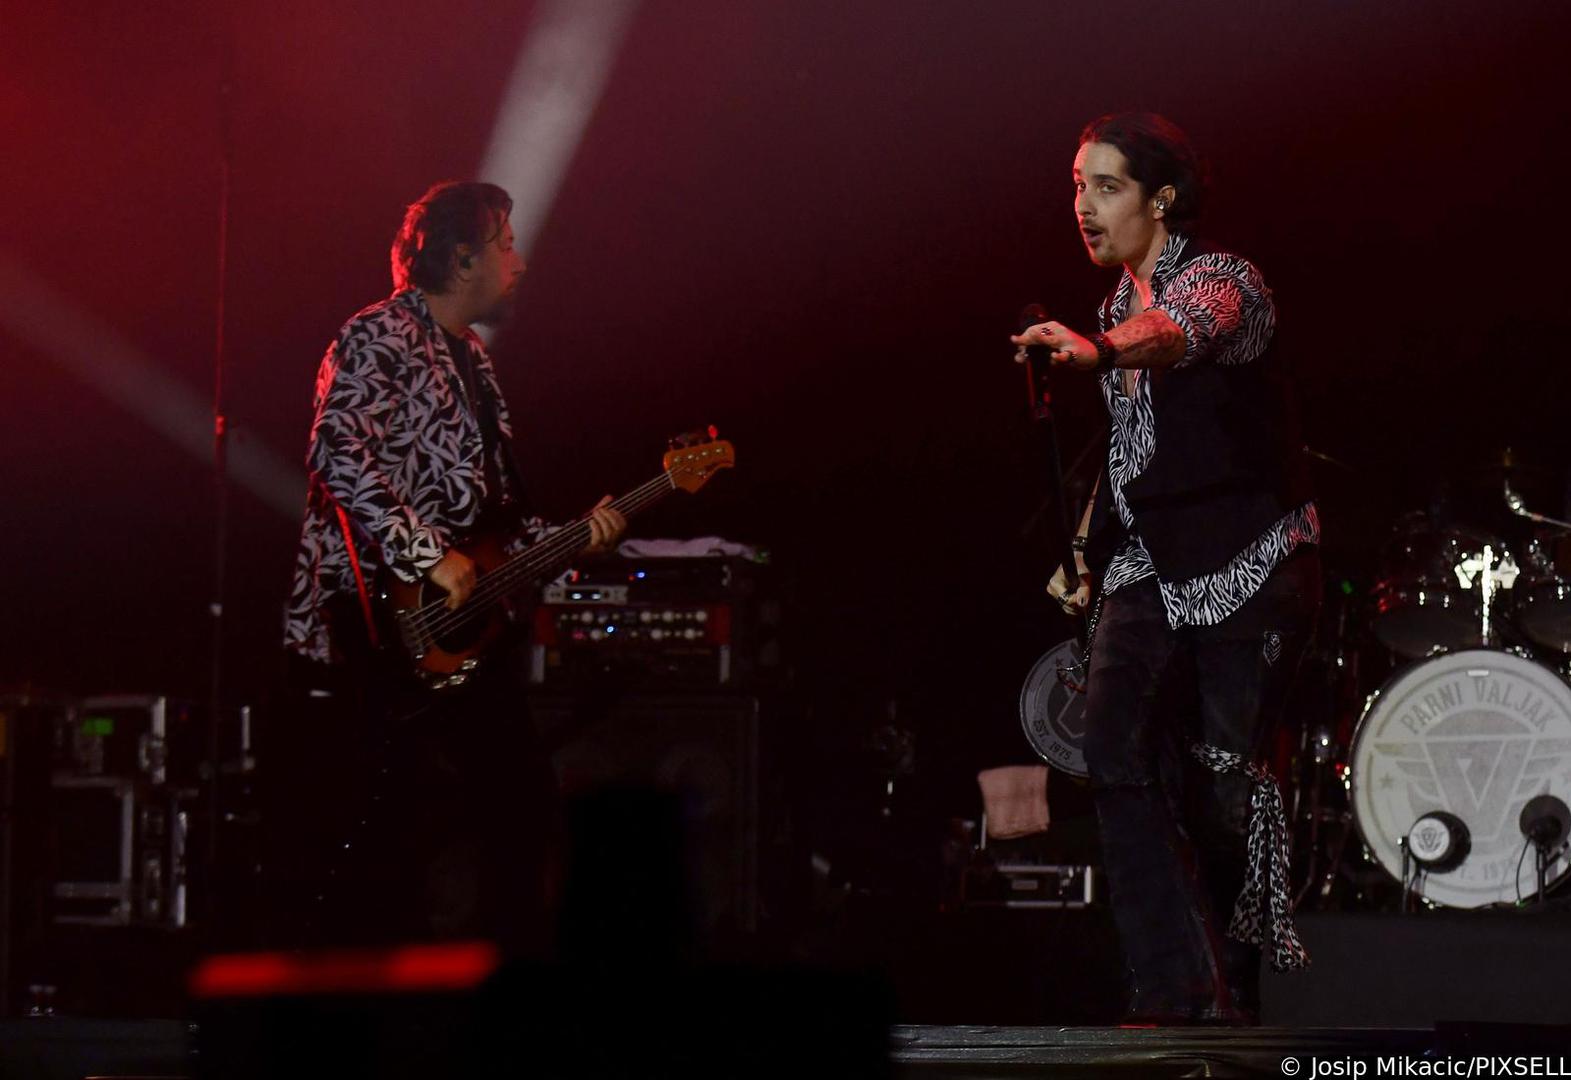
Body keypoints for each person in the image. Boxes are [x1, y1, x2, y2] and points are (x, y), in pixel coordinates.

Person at [1010, 113, 1320, 1024]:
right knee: (1110, 748)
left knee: (1222, 787)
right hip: (1151, 560)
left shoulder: (1226, 281)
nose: (1083, 205)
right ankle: (1172, 988)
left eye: (1105, 187)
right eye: (1077, 185)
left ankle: (1234, 998)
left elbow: (1180, 331)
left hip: (1247, 559)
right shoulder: (1112, 305)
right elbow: (1129, 450)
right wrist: (1083, 549)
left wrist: (1099, 351)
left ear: (1162, 199)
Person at [278, 180, 626, 951]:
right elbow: (337, 451)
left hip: (461, 626)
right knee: (396, 831)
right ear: (461, 258)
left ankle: (500, 989)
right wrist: (424, 553)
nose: (519, 262)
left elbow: (492, 520)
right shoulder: (379, 333)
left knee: (518, 811)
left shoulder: (473, 359)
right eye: (505, 245)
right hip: (374, 622)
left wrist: (577, 537)